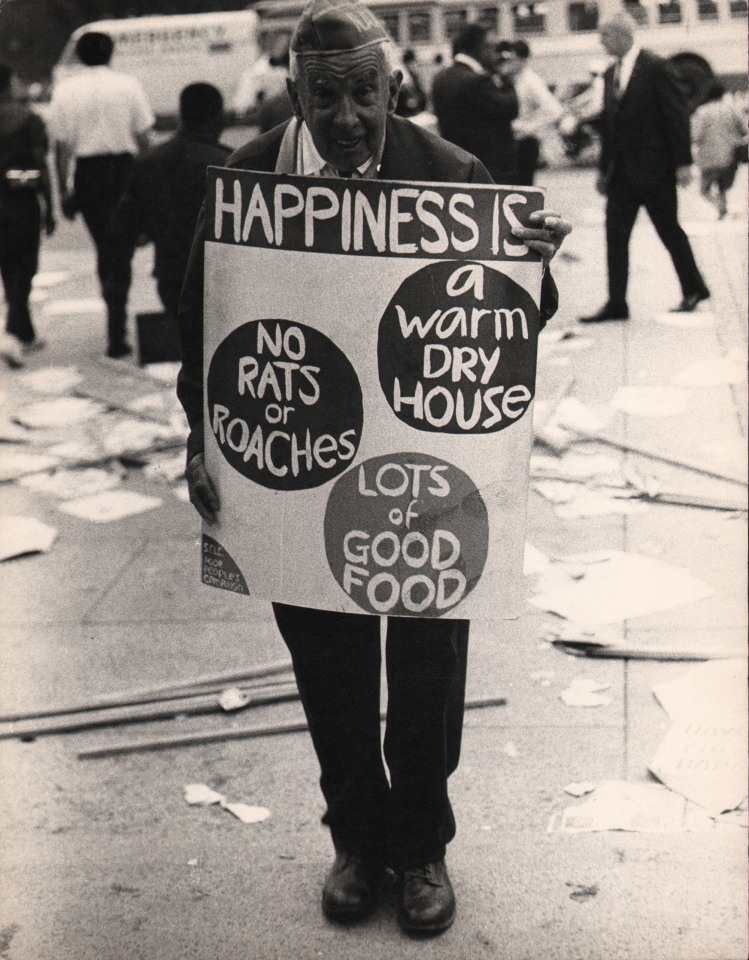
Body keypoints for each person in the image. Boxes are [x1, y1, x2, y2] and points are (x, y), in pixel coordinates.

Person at [177, 0, 570, 938]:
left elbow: (507, 321)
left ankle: (423, 843)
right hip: (298, 458)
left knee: (427, 659)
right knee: (327, 659)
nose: (347, 118)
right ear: (292, 92)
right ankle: (356, 840)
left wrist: (534, 268)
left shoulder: (452, 175)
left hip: (427, 467)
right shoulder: (249, 177)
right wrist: (199, 434)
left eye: (364, 94)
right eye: (325, 97)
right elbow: (202, 316)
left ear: (393, 85)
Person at [580, 12, 709, 322]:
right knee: (614, 235)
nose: (601, 42)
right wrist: (602, 169)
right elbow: (611, 126)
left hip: (657, 170)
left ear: (623, 35)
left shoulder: (656, 67)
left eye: (605, 36)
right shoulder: (610, 73)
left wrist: (683, 162)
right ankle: (617, 303)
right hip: (621, 173)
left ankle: (693, 288)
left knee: (669, 231)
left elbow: (676, 116)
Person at [46, 30, 154, 357]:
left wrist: (65, 189)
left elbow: (62, 147)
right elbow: (144, 138)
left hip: (88, 176)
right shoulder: (128, 85)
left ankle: (115, 316)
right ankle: (116, 324)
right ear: (110, 53)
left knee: (105, 247)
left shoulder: (65, 91)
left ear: (78, 55)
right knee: (119, 248)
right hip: (124, 172)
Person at [111, 83, 231, 323]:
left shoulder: (149, 162)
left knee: (184, 346)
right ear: (218, 118)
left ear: (181, 116)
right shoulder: (229, 164)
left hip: (172, 277)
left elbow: (123, 228)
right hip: (223, 280)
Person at [0, 62, 55, 363]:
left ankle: (24, 331)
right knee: (26, 265)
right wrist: (49, 207)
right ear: (9, 83)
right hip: (22, 200)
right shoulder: (30, 119)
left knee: (7, 264)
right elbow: (40, 164)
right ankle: (14, 326)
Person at [431, 23, 518, 185]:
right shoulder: (477, 82)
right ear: (479, 49)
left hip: (455, 169)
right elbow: (510, 108)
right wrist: (506, 78)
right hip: (487, 172)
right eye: (491, 48)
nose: (495, 55)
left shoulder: (441, 78)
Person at [497, 40, 565, 186]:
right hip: (512, 142)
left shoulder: (531, 81)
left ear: (523, 60)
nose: (508, 63)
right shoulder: (510, 80)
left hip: (525, 142)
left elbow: (554, 110)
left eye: (513, 59)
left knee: (523, 188)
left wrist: (529, 127)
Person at [691, 79, 747, 219]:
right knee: (723, 186)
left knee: (704, 190)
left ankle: (721, 208)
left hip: (709, 158)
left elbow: (695, 136)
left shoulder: (702, 112)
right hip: (730, 156)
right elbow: (744, 129)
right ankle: (723, 210)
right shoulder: (731, 109)